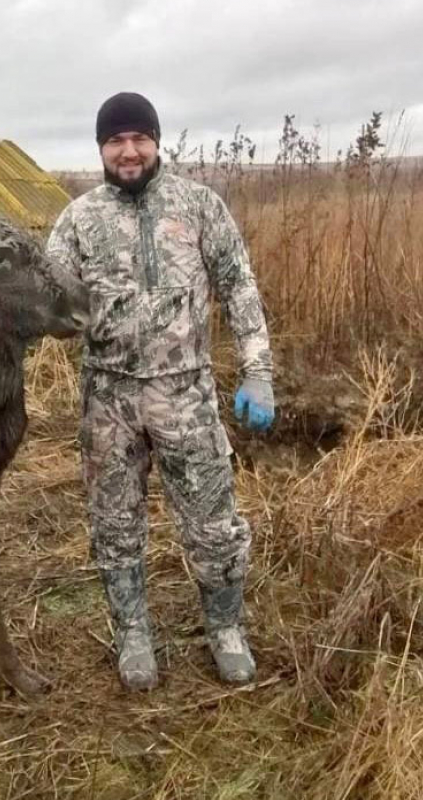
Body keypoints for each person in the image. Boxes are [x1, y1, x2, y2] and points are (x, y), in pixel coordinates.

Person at [46, 92, 274, 689]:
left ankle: (225, 629)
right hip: (109, 400)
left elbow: (240, 288)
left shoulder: (200, 207)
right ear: (100, 148)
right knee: (114, 525)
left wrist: (258, 372)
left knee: (213, 523)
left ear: (156, 141)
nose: (128, 151)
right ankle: (134, 635)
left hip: (187, 396)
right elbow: (44, 305)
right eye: (116, 140)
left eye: (138, 138)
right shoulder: (78, 221)